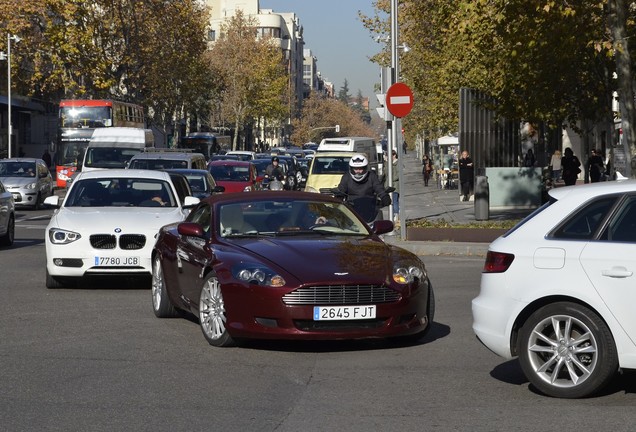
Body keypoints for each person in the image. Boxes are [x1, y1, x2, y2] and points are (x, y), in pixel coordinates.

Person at [391, 150, 400, 224]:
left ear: (394, 155)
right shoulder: (390, 164)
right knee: (393, 201)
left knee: (395, 201)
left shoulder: (397, 164)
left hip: (395, 185)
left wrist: (391, 179)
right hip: (391, 186)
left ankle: (396, 215)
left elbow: (398, 175)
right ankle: (395, 214)